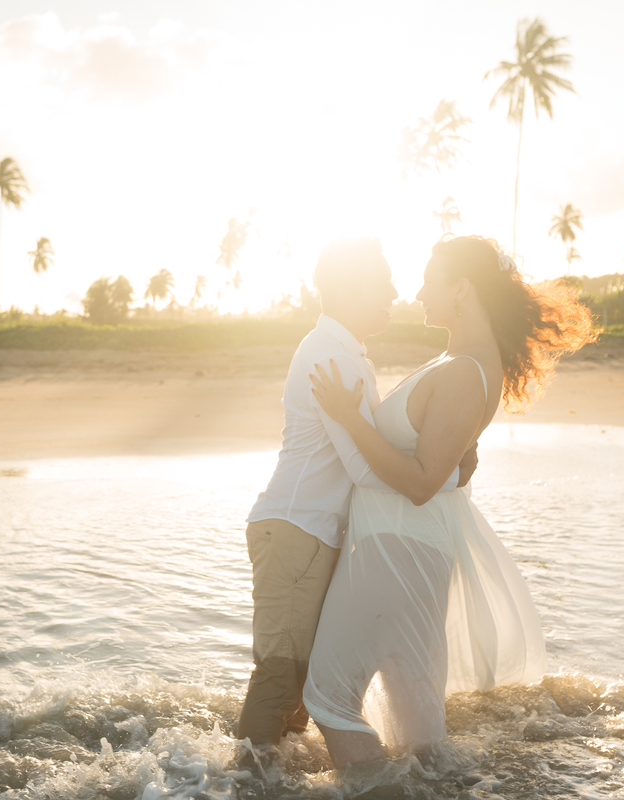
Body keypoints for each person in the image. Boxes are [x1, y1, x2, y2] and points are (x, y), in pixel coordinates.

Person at [302, 235, 596, 768]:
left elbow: (419, 481)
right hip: (407, 550)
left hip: (396, 552)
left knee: (328, 695)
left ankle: (375, 790)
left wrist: (348, 417)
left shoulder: (463, 370)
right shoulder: (464, 361)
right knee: (418, 730)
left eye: (429, 281)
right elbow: (440, 462)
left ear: (461, 290)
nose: (417, 293)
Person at [237, 238, 477, 753]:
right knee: (281, 674)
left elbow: (369, 453)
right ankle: (240, 782)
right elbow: (364, 469)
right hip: (295, 529)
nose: (395, 291)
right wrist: (449, 475)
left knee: (301, 680)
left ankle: (279, 776)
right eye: (381, 282)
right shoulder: (333, 360)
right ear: (347, 290)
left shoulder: (346, 355)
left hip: (311, 533)